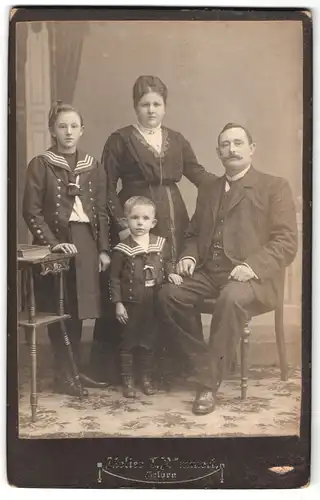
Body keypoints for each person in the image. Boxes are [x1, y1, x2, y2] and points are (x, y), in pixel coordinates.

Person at [158, 122, 298, 415]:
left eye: (238, 143)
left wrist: (252, 266)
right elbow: (194, 233)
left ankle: (207, 386)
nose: (232, 149)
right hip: (210, 273)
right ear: (218, 153)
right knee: (168, 293)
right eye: (225, 145)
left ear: (252, 149)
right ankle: (206, 364)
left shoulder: (274, 186)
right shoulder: (209, 187)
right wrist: (189, 257)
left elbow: (286, 241)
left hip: (253, 279)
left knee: (231, 297)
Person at [91, 75, 211, 385]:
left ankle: (174, 368)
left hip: (171, 223)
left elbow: (197, 173)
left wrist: (228, 184)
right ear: (135, 107)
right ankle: (122, 370)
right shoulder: (119, 139)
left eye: (157, 104)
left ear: (165, 107)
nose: (151, 110)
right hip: (134, 224)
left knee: (168, 285)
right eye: (145, 104)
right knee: (134, 288)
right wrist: (121, 227)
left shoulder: (178, 139)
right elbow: (105, 188)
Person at [23, 101, 111, 396]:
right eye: (62, 126)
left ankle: (76, 370)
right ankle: (64, 374)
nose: (69, 132)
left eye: (74, 126)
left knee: (78, 309)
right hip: (56, 245)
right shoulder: (41, 164)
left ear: (82, 130)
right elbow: (31, 211)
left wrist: (102, 249)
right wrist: (52, 243)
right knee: (60, 308)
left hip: (86, 242)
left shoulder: (92, 165)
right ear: (52, 130)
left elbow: (99, 210)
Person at [109, 196, 183, 398]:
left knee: (149, 340)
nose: (140, 222)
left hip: (153, 300)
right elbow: (114, 278)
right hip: (131, 303)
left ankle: (146, 379)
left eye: (145, 218)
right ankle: (129, 381)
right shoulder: (121, 249)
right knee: (129, 340)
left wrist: (172, 273)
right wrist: (118, 304)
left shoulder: (160, 244)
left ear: (153, 222)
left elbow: (167, 263)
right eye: (134, 218)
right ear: (126, 221)